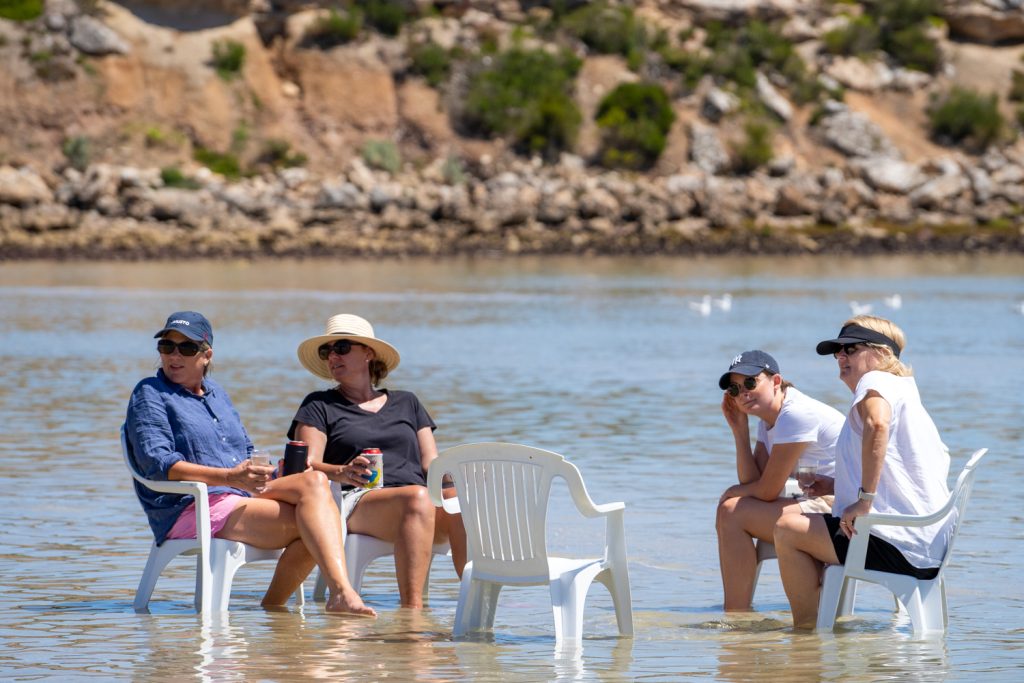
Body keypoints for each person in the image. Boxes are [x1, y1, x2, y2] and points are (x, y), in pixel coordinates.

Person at [124, 311, 375, 617]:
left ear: (206, 355)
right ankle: (325, 597)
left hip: (239, 494)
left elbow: (245, 452)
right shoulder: (150, 393)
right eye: (167, 346)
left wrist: (263, 472)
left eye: (186, 348)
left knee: (316, 487)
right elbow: (159, 464)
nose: (174, 355)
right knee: (321, 524)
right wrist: (230, 477)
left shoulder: (218, 396)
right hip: (190, 505)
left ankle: (286, 604)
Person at [774, 315, 953, 629]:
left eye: (850, 349)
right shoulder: (903, 390)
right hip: (924, 544)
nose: (840, 357)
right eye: (838, 352)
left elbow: (877, 424)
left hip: (899, 545)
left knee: (787, 529)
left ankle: (807, 634)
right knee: (810, 525)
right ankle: (827, 617)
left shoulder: (876, 381)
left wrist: (865, 500)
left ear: (881, 353)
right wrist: (834, 484)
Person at [289, 313, 467, 608]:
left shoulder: (407, 402)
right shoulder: (319, 405)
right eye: (327, 351)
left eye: (342, 347)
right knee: (418, 497)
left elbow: (430, 462)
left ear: (368, 353)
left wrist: (461, 480)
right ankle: (413, 615)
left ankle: (479, 600)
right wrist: (343, 471)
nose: (333, 356)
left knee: (461, 500)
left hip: (416, 498)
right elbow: (306, 465)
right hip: (356, 500)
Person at [716, 349, 844, 611]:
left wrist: (733, 490)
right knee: (732, 510)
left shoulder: (795, 414)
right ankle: (737, 613)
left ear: (776, 382)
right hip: (818, 499)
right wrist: (740, 431)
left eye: (750, 383)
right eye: (734, 390)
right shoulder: (770, 416)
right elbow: (756, 481)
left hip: (840, 506)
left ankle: (736, 615)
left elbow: (766, 491)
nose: (743, 394)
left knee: (731, 512)